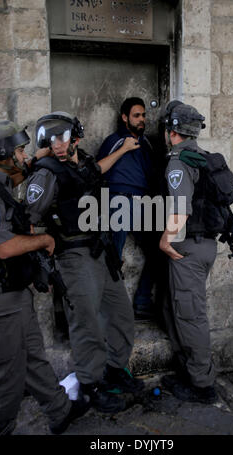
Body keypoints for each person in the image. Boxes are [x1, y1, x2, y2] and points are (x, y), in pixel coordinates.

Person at [25, 111, 144, 414]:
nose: (58, 145)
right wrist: (38, 260)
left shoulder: (82, 162)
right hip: (73, 255)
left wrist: (122, 150)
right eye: (51, 141)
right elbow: (29, 218)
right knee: (87, 324)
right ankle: (90, 387)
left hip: (100, 250)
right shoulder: (47, 171)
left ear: (75, 138)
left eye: (63, 138)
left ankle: (115, 370)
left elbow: (95, 171)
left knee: (120, 314)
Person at [0, 118, 89, 435]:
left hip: (12, 296)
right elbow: (1, 247)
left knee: (32, 356)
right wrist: (43, 241)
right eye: (18, 150)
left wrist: (43, 155)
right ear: (2, 154)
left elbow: (23, 174)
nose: (24, 156)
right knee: (0, 375)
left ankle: (59, 411)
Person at [159, 101, 218, 404]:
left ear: (172, 131)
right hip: (205, 245)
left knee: (191, 316)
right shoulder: (203, 158)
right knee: (179, 311)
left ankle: (202, 386)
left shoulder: (179, 161)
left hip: (188, 249)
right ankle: (189, 371)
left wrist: (165, 241)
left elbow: (181, 210)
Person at [96, 97, 158, 320]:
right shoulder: (113, 141)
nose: (141, 119)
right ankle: (107, 308)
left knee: (157, 250)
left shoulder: (147, 144)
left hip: (144, 203)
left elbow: (152, 175)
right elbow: (97, 171)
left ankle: (142, 302)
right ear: (125, 117)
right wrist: (123, 149)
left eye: (143, 115)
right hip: (118, 200)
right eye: (136, 115)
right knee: (113, 255)